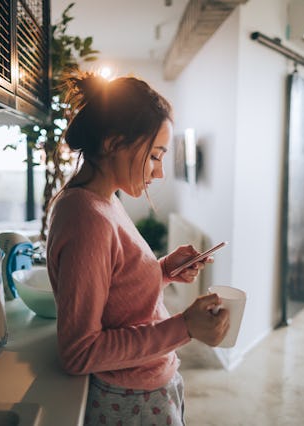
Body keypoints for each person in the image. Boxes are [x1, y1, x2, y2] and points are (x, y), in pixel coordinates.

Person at [46, 72, 230, 426]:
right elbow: (79, 352)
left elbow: (117, 293)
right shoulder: (87, 218)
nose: (158, 173)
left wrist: (162, 271)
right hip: (130, 402)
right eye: (154, 156)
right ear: (114, 143)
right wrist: (184, 327)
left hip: (146, 386)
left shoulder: (103, 201)